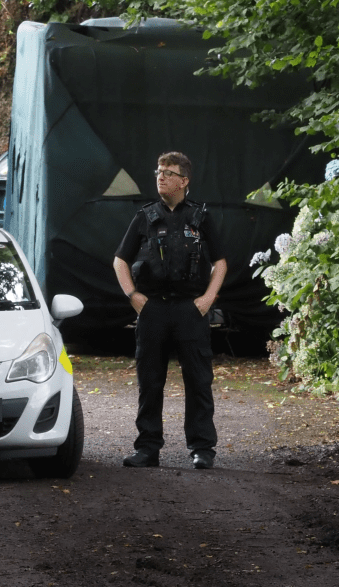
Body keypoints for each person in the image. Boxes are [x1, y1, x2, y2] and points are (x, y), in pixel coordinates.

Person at [113, 152, 227, 470]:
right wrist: (133, 295)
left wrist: (207, 299)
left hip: (190, 310)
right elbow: (120, 259)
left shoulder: (200, 218)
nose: (160, 176)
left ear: (184, 181)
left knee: (199, 380)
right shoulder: (145, 216)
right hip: (153, 310)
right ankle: (147, 448)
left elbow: (220, 263)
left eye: (168, 172)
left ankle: (202, 449)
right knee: (149, 381)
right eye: (158, 171)